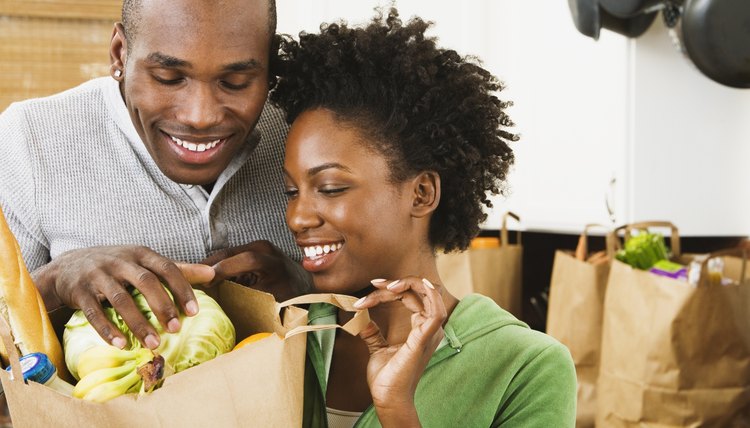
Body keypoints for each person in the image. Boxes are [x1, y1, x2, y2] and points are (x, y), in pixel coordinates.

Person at [272, 9, 577, 427]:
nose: (298, 217)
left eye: (330, 188)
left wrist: (397, 410)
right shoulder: (287, 334)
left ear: (422, 192)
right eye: (292, 191)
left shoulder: (525, 367)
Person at [0, 0, 309, 352]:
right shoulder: (28, 141)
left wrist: (304, 287)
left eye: (235, 82)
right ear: (120, 54)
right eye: (169, 78)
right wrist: (51, 284)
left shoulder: (306, 129)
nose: (200, 116)